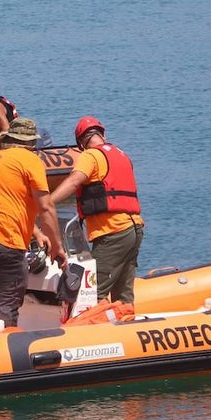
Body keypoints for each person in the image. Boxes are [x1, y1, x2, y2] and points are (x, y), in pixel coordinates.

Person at [0, 117, 64, 327]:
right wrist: (58, 247)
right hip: (4, 239)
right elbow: (46, 207)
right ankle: (6, 351)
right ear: (32, 143)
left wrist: (36, 232)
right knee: (8, 300)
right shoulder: (30, 160)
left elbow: (6, 200)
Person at [47, 116, 144, 305]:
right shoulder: (122, 155)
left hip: (112, 232)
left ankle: (90, 330)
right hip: (135, 230)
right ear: (102, 134)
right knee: (123, 293)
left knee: (91, 292)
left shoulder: (90, 156)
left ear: (81, 144)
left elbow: (75, 181)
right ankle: (124, 324)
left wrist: (48, 203)